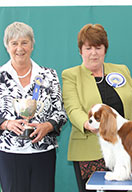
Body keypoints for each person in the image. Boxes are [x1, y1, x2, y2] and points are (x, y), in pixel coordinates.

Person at [62, 23, 132, 192]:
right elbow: (73, 109)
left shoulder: (122, 70)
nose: (94, 53)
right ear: (80, 51)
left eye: (98, 47)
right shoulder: (70, 75)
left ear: (105, 49)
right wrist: (87, 124)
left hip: (126, 150)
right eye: (88, 48)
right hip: (90, 153)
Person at [0, 22, 67, 192]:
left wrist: (48, 125)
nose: (19, 48)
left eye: (24, 42)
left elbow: (60, 112)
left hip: (43, 152)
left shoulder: (49, 75)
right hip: (9, 153)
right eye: (14, 43)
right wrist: (6, 123)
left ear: (32, 45)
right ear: (7, 46)